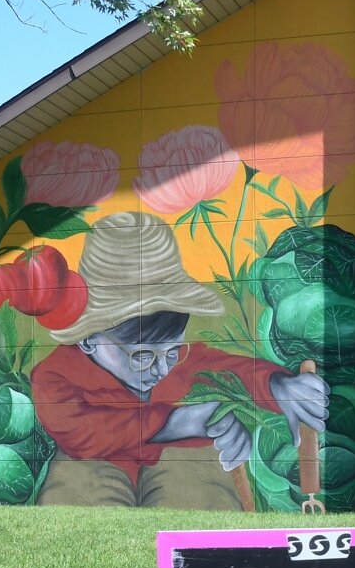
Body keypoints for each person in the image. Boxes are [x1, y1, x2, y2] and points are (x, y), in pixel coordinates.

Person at [30, 210, 327, 508]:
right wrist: (177, 422)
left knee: (204, 495)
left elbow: (230, 370)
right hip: (93, 468)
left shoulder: (183, 363)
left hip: (179, 463)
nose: (162, 369)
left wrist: (278, 386)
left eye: (172, 350)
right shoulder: (55, 376)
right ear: (89, 338)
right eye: (143, 356)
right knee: (75, 496)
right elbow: (86, 432)